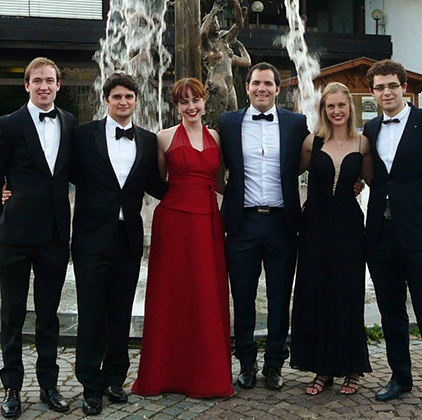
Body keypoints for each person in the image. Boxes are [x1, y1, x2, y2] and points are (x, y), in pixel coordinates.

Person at [362, 59, 422, 419]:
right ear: (372, 93)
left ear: (404, 87)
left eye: (392, 85)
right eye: (379, 87)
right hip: (380, 234)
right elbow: (373, 175)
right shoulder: (370, 128)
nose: (386, 92)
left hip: (420, 234)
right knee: (391, 312)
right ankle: (401, 376)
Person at [70, 73, 167, 415]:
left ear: (136, 101)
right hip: (90, 240)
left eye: (129, 96)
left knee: (121, 314)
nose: (123, 102)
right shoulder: (83, 136)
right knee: (92, 314)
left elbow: (158, 185)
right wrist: (13, 187)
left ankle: (115, 379)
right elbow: (54, 172)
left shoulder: (148, 139)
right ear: (106, 100)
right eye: (117, 97)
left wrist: (198, 192)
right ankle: (90, 385)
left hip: (128, 240)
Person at [0, 57, 75, 418]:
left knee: (49, 315)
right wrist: (7, 208)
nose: (44, 86)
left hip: (54, 235)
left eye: (50, 80)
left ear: (58, 85)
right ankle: (12, 387)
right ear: (26, 85)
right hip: (17, 236)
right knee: (13, 314)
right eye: (37, 80)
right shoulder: (8, 124)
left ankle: (49, 385)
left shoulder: (68, 122)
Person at [132, 78, 233, 398]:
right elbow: (155, 182)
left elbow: (221, 184)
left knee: (206, 294)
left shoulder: (216, 136)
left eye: (196, 100)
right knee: (171, 295)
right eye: (183, 102)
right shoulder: (163, 138)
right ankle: (165, 374)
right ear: (176, 106)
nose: (191, 107)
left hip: (208, 223)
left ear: (205, 102)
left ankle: (207, 376)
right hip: (174, 222)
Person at [218, 62, 309, 391]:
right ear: (246, 88)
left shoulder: (296, 123)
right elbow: (216, 167)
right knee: (242, 298)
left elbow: (320, 156)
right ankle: (245, 361)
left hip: (282, 224)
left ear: (277, 89)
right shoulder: (227, 123)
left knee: (279, 297)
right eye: (256, 83)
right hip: (242, 224)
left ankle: (274, 364)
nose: (262, 89)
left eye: (268, 84)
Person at [291, 82, 373, 396]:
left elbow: (372, 181)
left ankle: (352, 368)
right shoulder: (312, 142)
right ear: (323, 110)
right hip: (314, 227)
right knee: (317, 295)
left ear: (350, 108)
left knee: (348, 295)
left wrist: (360, 187)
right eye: (330, 106)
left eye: (341, 105)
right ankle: (323, 369)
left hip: (350, 227)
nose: (336, 111)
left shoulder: (363, 143)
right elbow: (289, 175)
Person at [201, 0, 251, 128]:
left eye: (216, 20)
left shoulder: (225, 40)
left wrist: (236, 4)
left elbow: (239, 25)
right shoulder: (208, 45)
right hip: (217, 84)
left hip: (229, 85)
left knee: (233, 121)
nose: (215, 23)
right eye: (212, 21)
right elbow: (203, 33)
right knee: (215, 123)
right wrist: (213, 11)